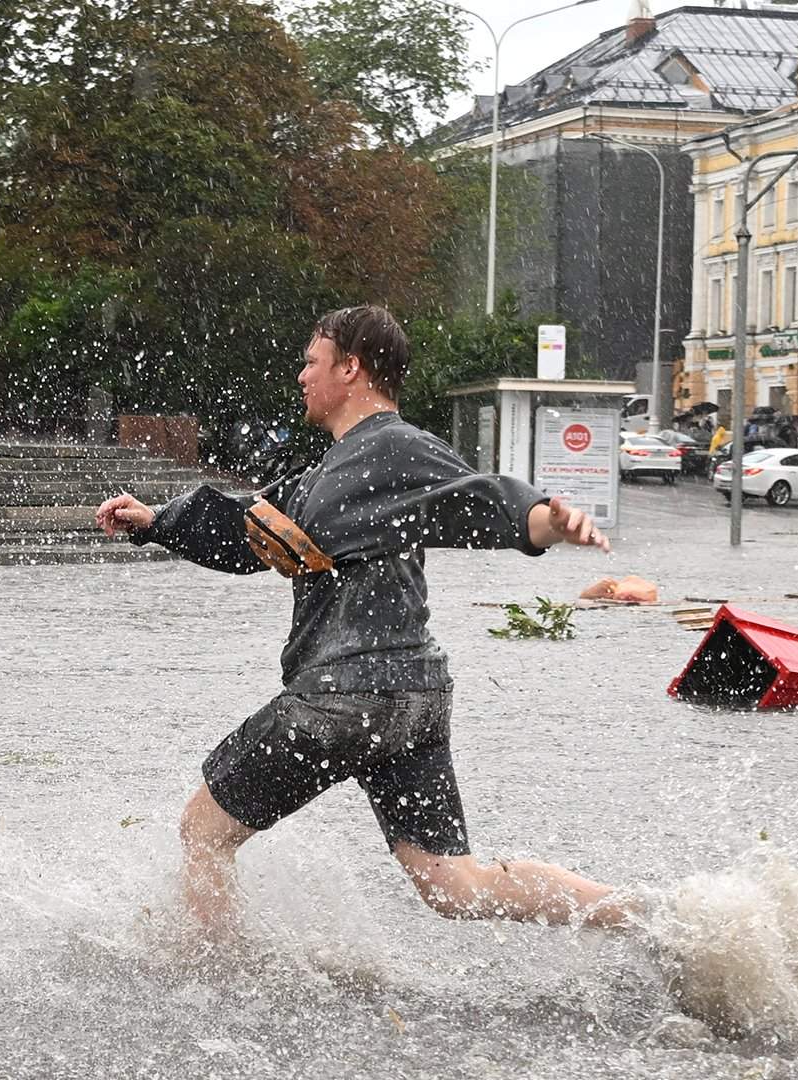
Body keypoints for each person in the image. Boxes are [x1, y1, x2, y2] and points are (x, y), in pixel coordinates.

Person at [95, 305, 632, 935]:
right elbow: (252, 530)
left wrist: (546, 520)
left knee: (203, 830)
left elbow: (482, 497)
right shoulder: (329, 470)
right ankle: (639, 915)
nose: (301, 376)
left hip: (343, 698)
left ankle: (215, 980)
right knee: (453, 884)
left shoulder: (396, 446)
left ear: (351, 369)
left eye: (312, 361)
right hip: (412, 704)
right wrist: (159, 521)